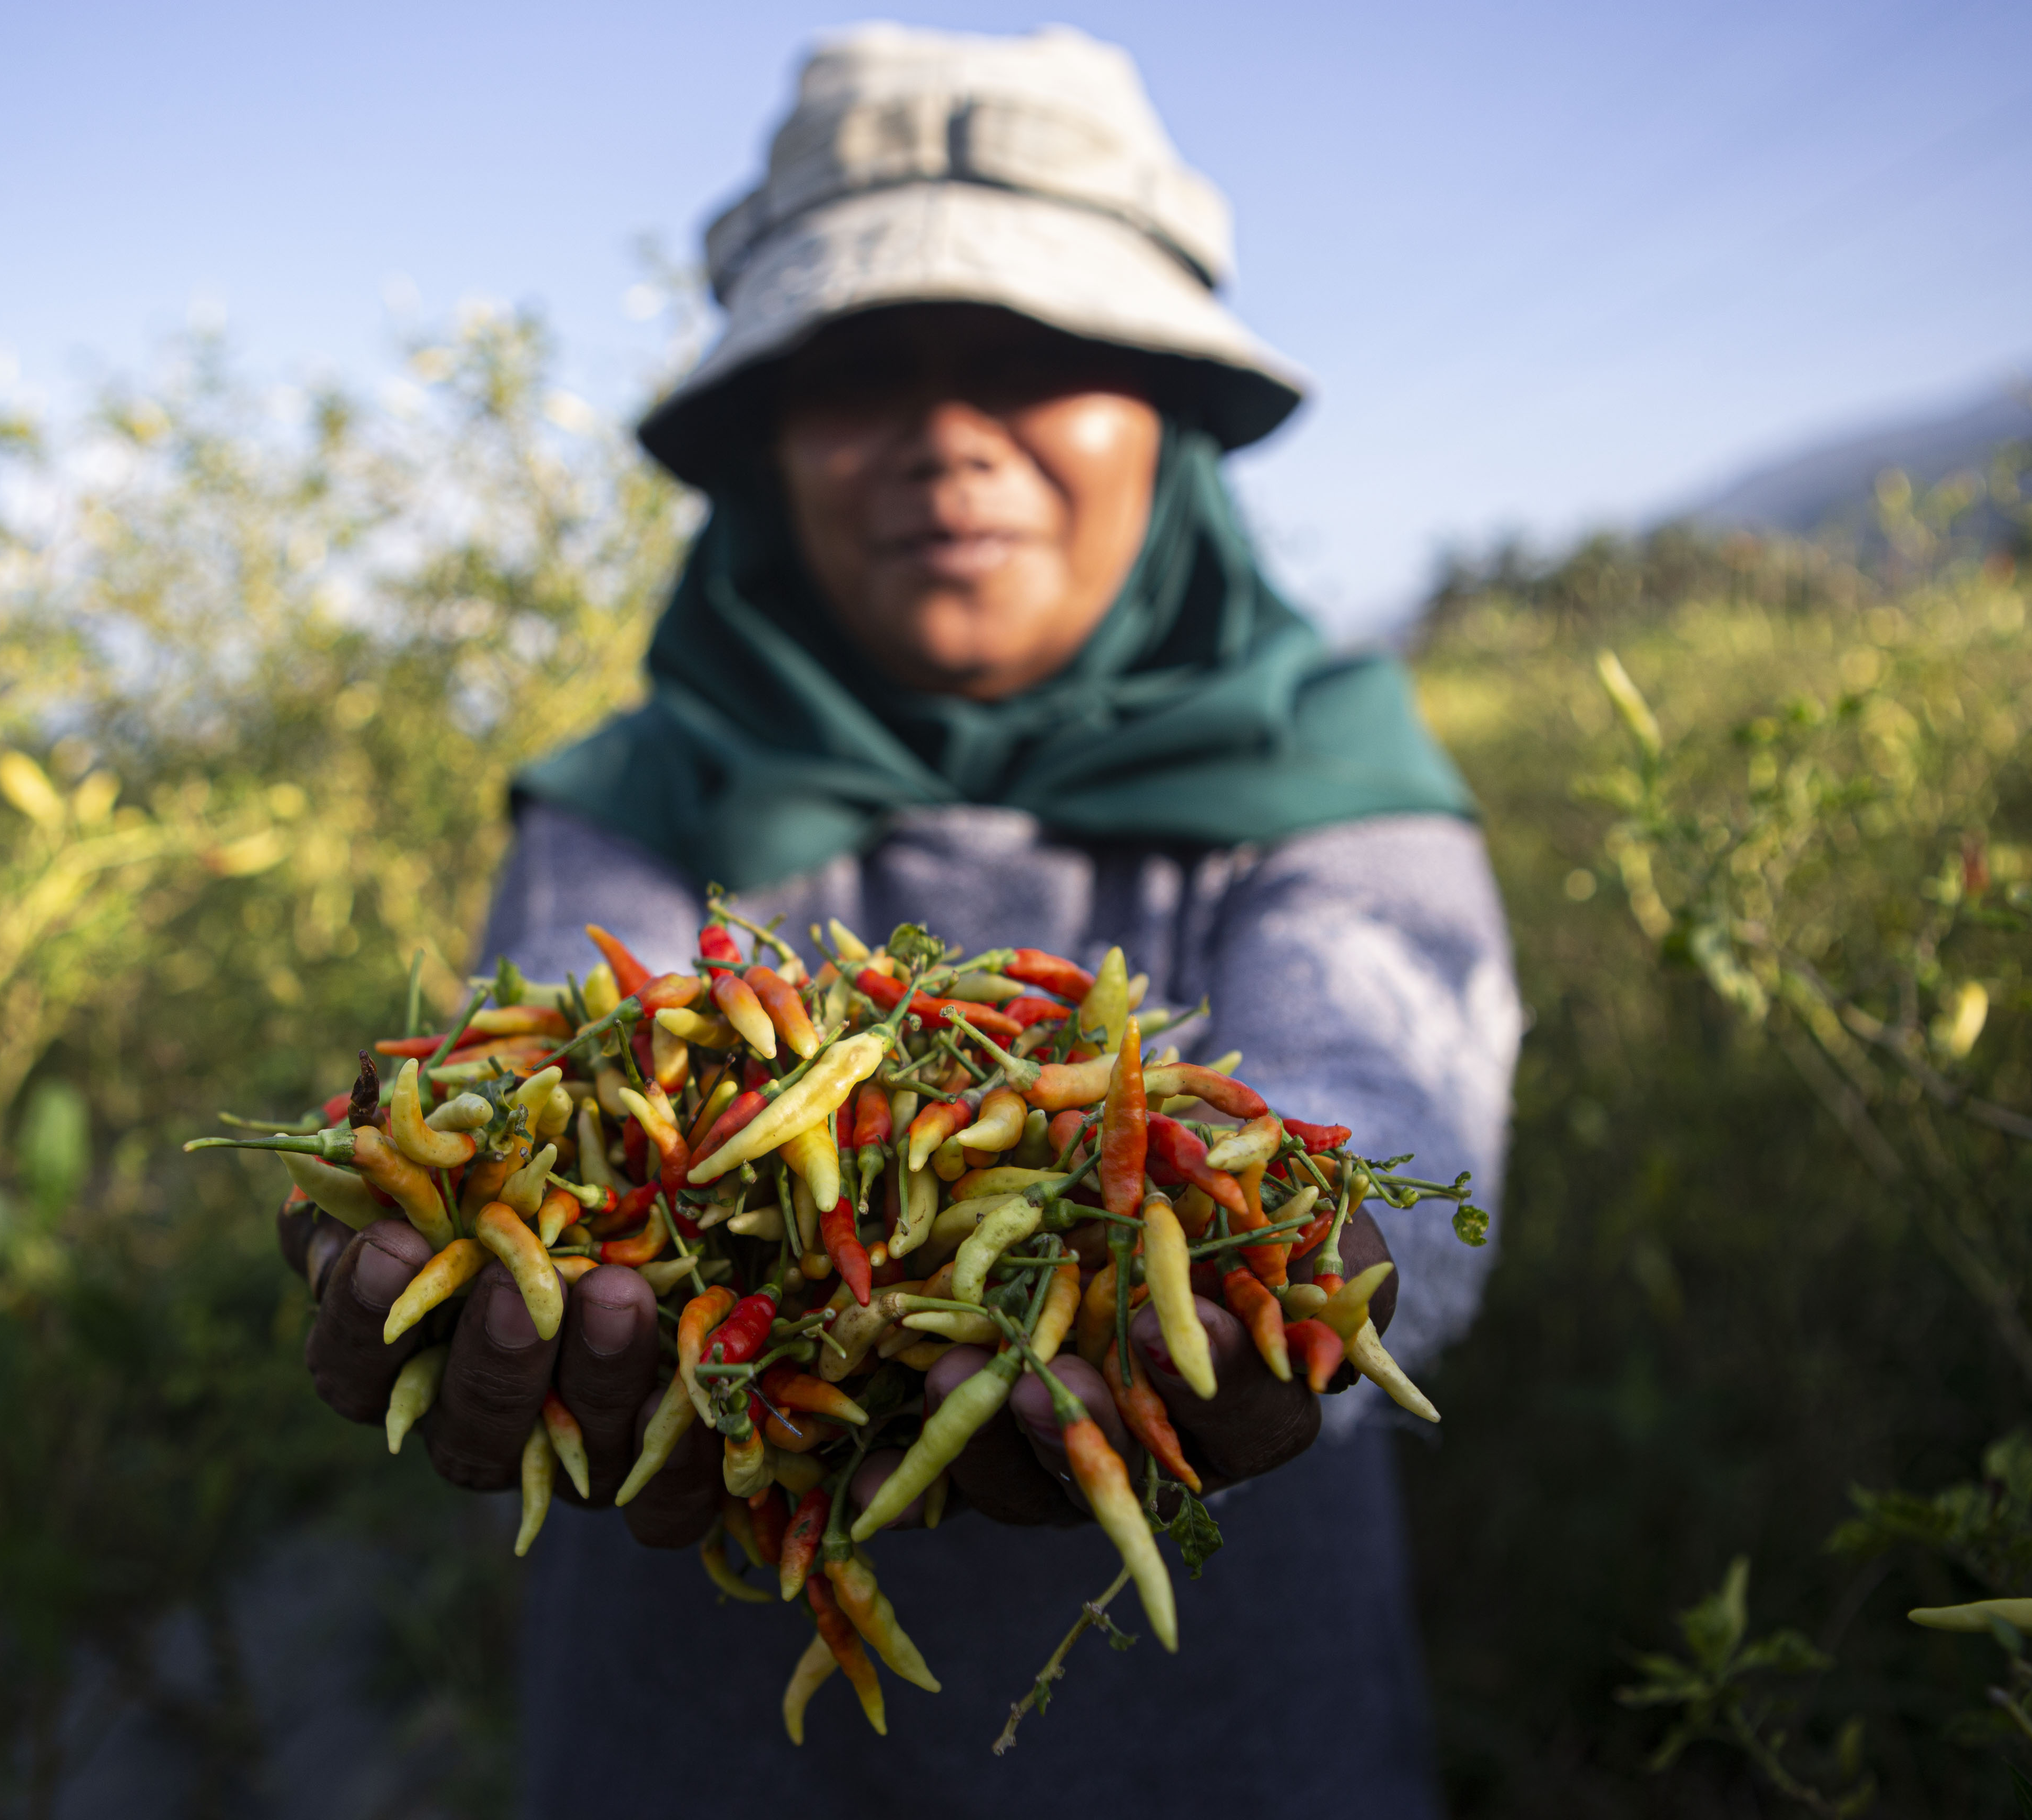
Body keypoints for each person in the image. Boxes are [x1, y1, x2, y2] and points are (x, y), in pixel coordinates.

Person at [282, 24, 1516, 1815]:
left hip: (1231, 1756)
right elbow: (556, 1098)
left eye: (1042, 358)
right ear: (766, 442)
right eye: (863, 372)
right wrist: (443, 1209)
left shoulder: (1327, 764)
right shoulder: (633, 799)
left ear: (1167, 419)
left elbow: (1382, 1109)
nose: (949, 439)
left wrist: (1302, 1268)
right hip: (692, 1760)